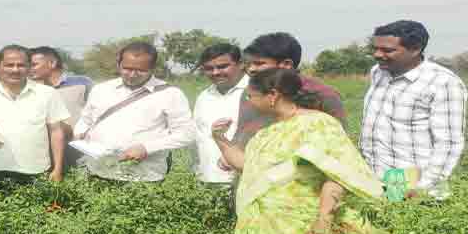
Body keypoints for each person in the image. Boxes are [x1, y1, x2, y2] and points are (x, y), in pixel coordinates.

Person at [212, 68, 382, 234]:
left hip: (305, 226)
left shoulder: (317, 124)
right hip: (265, 231)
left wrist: (323, 220)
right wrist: (220, 138)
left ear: (273, 95)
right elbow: (248, 166)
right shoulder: (267, 131)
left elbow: (337, 177)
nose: (248, 102)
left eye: (250, 96)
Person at [360, 19, 468, 199]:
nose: (378, 54)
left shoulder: (442, 82)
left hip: (414, 183)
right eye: (376, 48)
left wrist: (423, 188)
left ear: (415, 49)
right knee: (382, 223)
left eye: (388, 50)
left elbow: (449, 143)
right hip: (378, 177)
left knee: (406, 225)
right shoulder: (378, 73)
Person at [72, 41, 194, 182]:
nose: (132, 75)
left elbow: (187, 134)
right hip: (98, 172)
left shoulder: (170, 94)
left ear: (153, 68)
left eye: (141, 70)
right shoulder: (101, 90)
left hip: (143, 177)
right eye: (127, 68)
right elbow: (86, 119)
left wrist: (146, 148)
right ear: (118, 64)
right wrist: (79, 133)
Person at [231, 32, 346, 148]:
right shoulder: (251, 92)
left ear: (286, 64)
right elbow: (243, 130)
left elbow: (339, 144)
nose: (251, 69)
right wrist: (233, 151)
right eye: (248, 64)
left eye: (259, 63)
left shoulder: (324, 95)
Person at [0, 45, 71, 185]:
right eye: (10, 65)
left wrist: (57, 169)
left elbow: (56, 132)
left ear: (29, 67)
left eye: (21, 65)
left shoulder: (47, 94)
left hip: (36, 171)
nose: (15, 70)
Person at [192, 43, 248, 184]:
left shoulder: (257, 92)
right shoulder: (204, 96)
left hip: (244, 180)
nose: (215, 72)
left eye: (223, 66)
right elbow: (198, 136)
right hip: (207, 179)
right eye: (209, 68)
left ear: (241, 64)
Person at [29, 46, 93, 129]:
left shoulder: (82, 83)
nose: (29, 69)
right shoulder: (33, 90)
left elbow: (97, 112)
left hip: (78, 140)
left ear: (52, 63)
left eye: (34, 65)